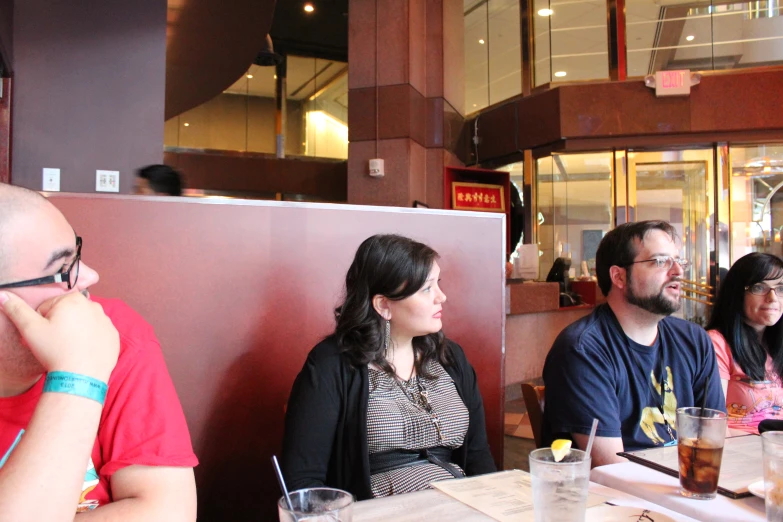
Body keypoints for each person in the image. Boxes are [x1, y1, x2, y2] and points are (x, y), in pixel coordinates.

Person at [0, 183, 197, 519]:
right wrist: (77, 376)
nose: (90, 276)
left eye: (76, 255)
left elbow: (169, 512)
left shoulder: (110, 331)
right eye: (61, 270)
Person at [282, 234, 496, 500]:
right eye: (427, 289)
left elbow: (478, 455)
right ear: (383, 305)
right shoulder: (331, 365)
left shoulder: (450, 358)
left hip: (458, 506)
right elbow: (304, 481)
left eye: (437, 284)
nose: (442, 297)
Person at [543, 220, 725, 467]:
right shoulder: (584, 350)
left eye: (679, 261)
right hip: (619, 500)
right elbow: (613, 471)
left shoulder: (694, 340)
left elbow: (713, 440)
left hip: (688, 489)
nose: (678, 272)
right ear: (619, 276)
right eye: (660, 261)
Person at [706, 252, 783, 434]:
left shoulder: (777, 345)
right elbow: (713, 426)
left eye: (780, 288)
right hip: (741, 452)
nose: (772, 298)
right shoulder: (717, 343)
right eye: (759, 288)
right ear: (737, 294)